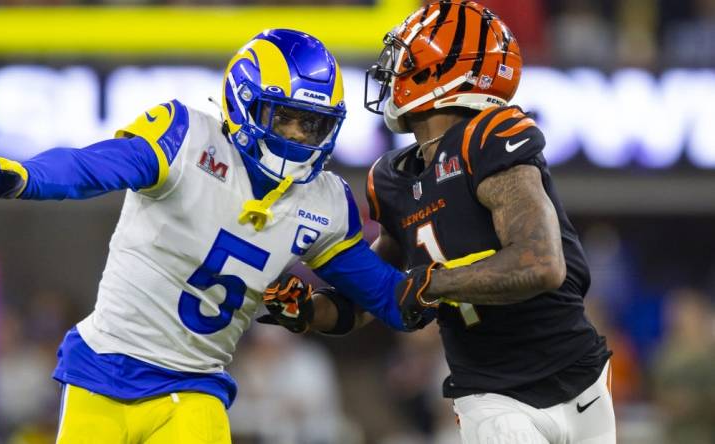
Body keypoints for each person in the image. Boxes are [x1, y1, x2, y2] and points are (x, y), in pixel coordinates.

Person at [0, 29, 416, 444]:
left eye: (312, 124)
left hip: (193, 384)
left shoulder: (325, 201)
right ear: (243, 102)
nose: (298, 137)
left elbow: (388, 298)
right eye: (286, 119)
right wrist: (27, 176)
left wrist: (439, 253)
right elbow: (93, 166)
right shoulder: (184, 138)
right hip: (102, 368)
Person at [261, 2, 616, 443]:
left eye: (405, 59)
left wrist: (431, 283)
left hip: (580, 378)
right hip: (492, 392)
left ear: (441, 71)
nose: (391, 72)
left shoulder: (490, 140)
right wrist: (311, 310)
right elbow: (383, 295)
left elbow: (540, 263)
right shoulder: (390, 178)